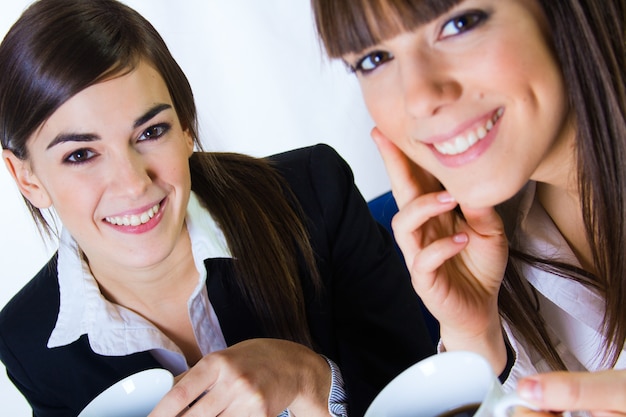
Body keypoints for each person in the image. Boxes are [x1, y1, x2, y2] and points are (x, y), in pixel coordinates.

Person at [0, 0, 436, 416]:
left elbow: (429, 396)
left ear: (186, 126)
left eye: (151, 132)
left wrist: (310, 379)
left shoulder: (315, 195)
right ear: (27, 178)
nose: (133, 184)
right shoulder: (29, 341)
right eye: (80, 155)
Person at [311, 0, 626, 415]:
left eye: (460, 24)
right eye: (374, 59)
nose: (419, 98)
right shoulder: (490, 242)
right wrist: (475, 338)